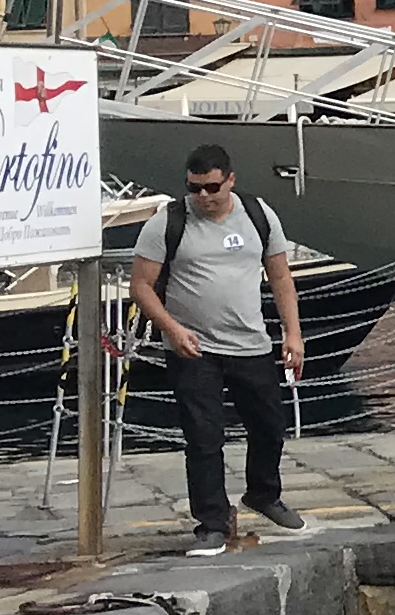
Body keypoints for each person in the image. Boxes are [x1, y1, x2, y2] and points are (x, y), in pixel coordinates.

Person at [126, 145, 311, 559]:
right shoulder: (168, 222)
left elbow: (281, 277)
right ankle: (211, 522)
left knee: (270, 425)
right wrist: (172, 329)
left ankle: (263, 494)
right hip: (194, 347)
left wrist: (293, 334)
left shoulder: (258, 215)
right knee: (203, 436)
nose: (203, 196)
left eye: (212, 187)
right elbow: (140, 285)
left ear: (230, 180)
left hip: (251, 342)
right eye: (194, 188)